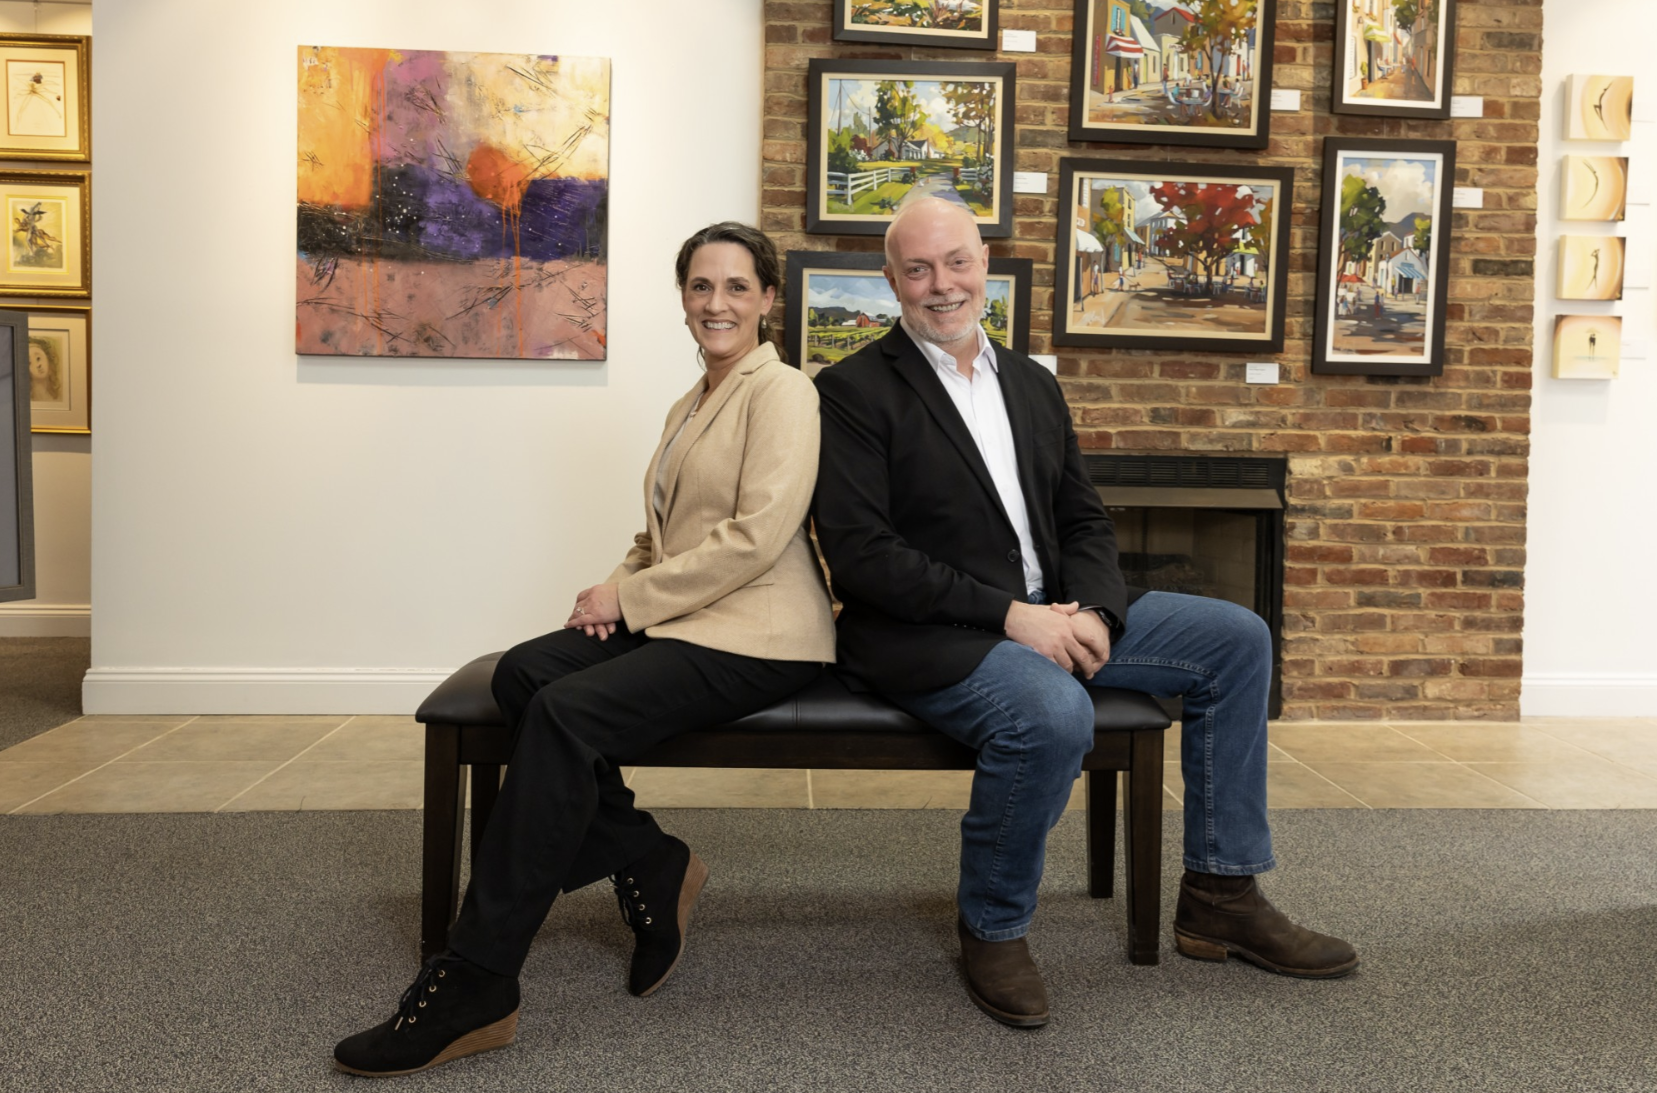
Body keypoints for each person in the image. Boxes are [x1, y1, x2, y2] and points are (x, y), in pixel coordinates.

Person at [811, 198, 1355, 1031]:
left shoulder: (1031, 383)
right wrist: (1012, 617)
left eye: (954, 262)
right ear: (890, 283)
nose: (940, 285)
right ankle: (991, 925)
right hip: (930, 635)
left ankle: (1220, 893)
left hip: (1054, 608)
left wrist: (1098, 610)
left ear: (983, 265)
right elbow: (862, 555)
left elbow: (1083, 519)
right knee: (1053, 711)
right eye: (916, 270)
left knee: (1237, 639)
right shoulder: (849, 391)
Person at [332, 222, 836, 1076]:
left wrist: (631, 599)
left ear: (768, 300)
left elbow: (754, 540)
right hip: (692, 613)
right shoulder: (691, 402)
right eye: (700, 286)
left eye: (736, 287)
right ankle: (647, 855)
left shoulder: (781, 391)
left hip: (763, 632)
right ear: (682, 299)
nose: (717, 303)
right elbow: (659, 535)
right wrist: (610, 588)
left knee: (565, 714)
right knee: (526, 670)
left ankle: (477, 978)